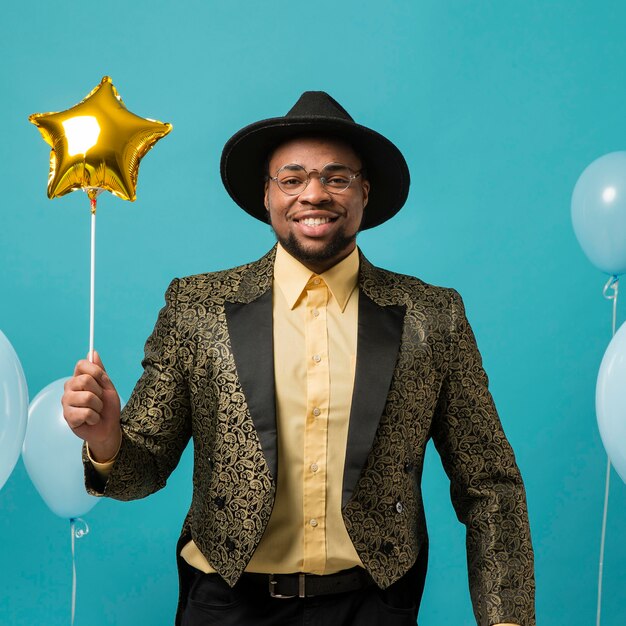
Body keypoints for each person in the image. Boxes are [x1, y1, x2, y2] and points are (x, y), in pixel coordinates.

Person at [62, 91, 535, 626]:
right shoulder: (197, 309)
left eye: (337, 178)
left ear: (364, 192)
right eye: (292, 179)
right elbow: (139, 472)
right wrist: (105, 440)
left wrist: (508, 619)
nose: (314, 194)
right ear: (266, 195)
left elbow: (489, 483)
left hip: (373, 605)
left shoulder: (433, 316)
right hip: (227, 605)